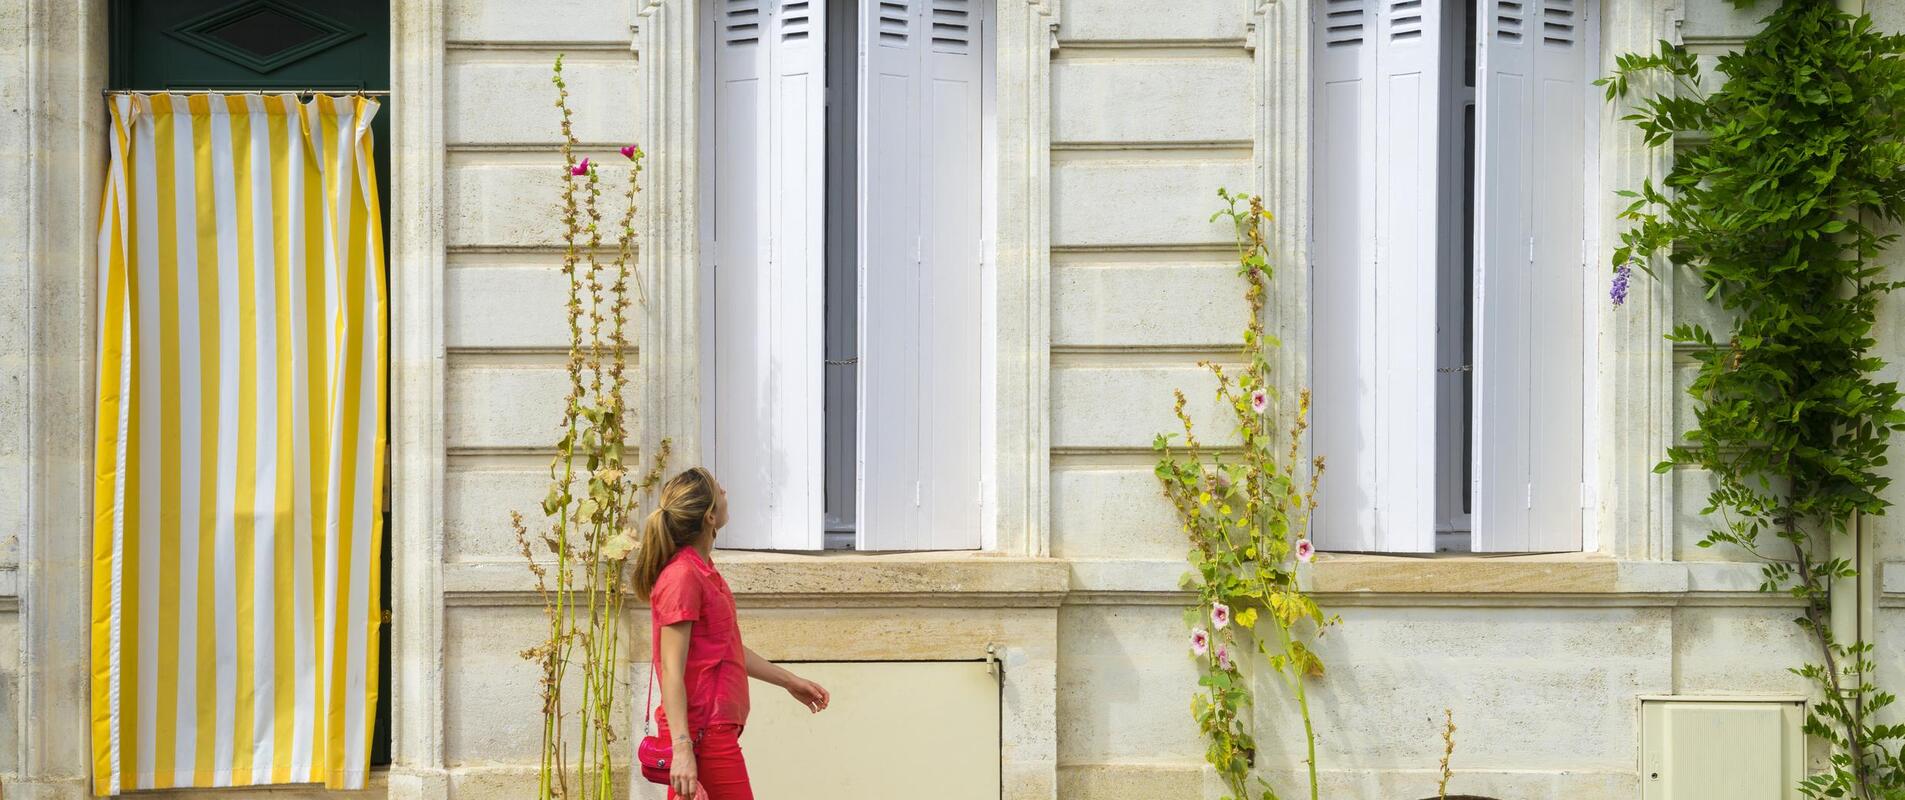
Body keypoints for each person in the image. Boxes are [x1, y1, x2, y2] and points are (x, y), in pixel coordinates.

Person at [632, 467, 831, 800]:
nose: (725, 489)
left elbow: (728, 648)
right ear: (710, 516)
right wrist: (681, 748)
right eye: (718, 489)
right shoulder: (682, 576)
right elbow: (670, 669)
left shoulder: (703, 570)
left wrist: (789, 681)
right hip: (701, 736)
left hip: (710, 733)